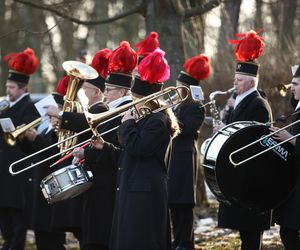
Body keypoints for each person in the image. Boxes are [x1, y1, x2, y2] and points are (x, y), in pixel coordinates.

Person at [91, 48, 179, 250]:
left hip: (145, 194)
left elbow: (139, 148)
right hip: (132, 188)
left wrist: (126, 124)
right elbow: (128, 155)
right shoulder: (144, 116)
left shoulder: (157, 119)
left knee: (140, 242)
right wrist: (105, 147)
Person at [213, 30, 273, 250]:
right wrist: (222, 128)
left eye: (238, 80)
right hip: (239, 175)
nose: (234, 83)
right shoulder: (239, 101)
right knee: (245, 233)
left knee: (251, 234)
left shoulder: (257, 104)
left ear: (250, 82)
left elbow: (254, 140)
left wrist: (228, 131)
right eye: (235, 79)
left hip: (251, 177)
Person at [168, 54, 209, 250]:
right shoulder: (175, 104)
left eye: (179, 86)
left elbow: (186, 128)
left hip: (184, 161)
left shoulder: (195, 107)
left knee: (183, 208)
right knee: (172, 207)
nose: (175, 89)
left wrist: (166, 117)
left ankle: (185, 245)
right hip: (171, 160)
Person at [0, 48, 40, 250]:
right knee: (5, 223)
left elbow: (31, 142)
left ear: (23, 89)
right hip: (3, 173)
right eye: (7, 86)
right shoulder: (6, 105)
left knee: (16, 227)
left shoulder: (30, 108)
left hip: (18, 175)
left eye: (12, 87)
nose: (8, 91)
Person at [271, 64, 300, 250]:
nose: (292, 87)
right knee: (287, 230)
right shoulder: (297, 106)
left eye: (296, 84)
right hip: (294, 179)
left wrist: (290, 139)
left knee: (289, 231)